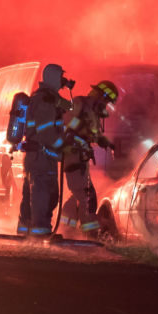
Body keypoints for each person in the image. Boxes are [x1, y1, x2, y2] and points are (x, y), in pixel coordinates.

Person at [16, 63, 73, 239]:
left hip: (37, 156)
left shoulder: (47, 97)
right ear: (53, 78)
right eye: (60, 77)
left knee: (32, 194)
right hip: (42, 156)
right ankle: (40, 231)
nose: (62, 80)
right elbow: (46, 131)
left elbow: (70, 108)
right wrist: (62, 145)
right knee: (45, 194)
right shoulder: (45, 101)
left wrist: (66, 89)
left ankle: (26, 230)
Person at [58, 80, 119, 237]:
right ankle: (90, 233)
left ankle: (67, 228)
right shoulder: (79, 104)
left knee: (78, 194)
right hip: (72, 156)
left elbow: (92, 133)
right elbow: (66, 129)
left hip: (81, 158)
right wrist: (79, 140)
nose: (106, 106)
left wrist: (104, 141)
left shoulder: (93, 112)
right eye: (106, 101)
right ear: (101, 96)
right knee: (88, 196)